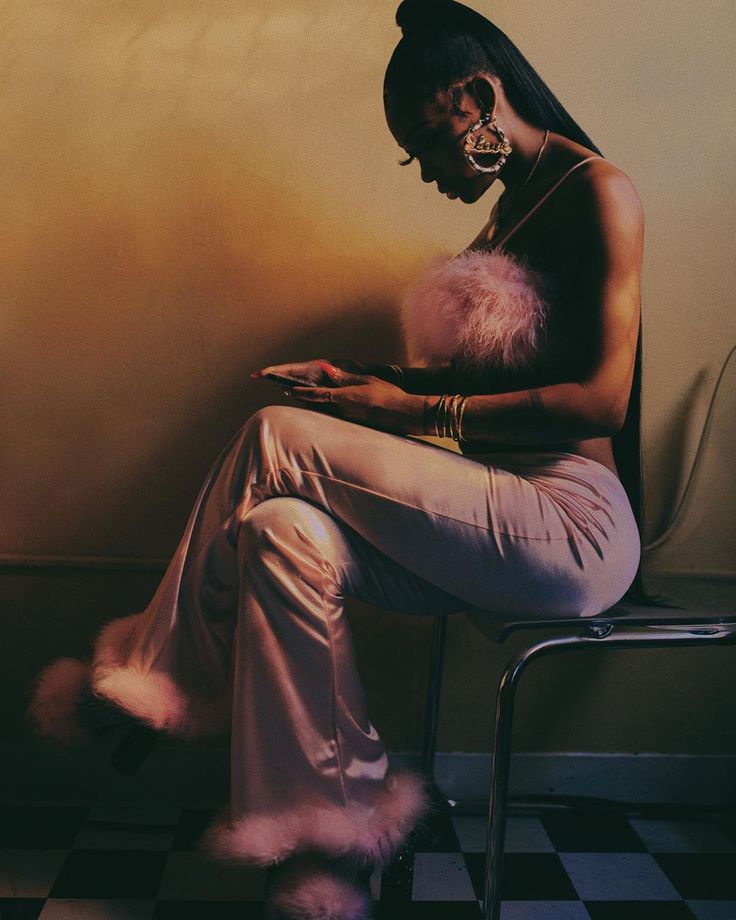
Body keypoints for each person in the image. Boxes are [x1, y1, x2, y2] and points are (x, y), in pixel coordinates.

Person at [27, 2, 650, 918]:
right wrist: (365, 378)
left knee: (275, 435)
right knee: (281, 533)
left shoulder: (599, 189)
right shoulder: (511, 213)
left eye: (427, 142)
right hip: (488, 514)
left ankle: (164, 672)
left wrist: (411, 405)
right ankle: (329, 844)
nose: (430, 172)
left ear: (477, 98)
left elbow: (601, 400)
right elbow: (464, 397)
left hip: (572, 528)